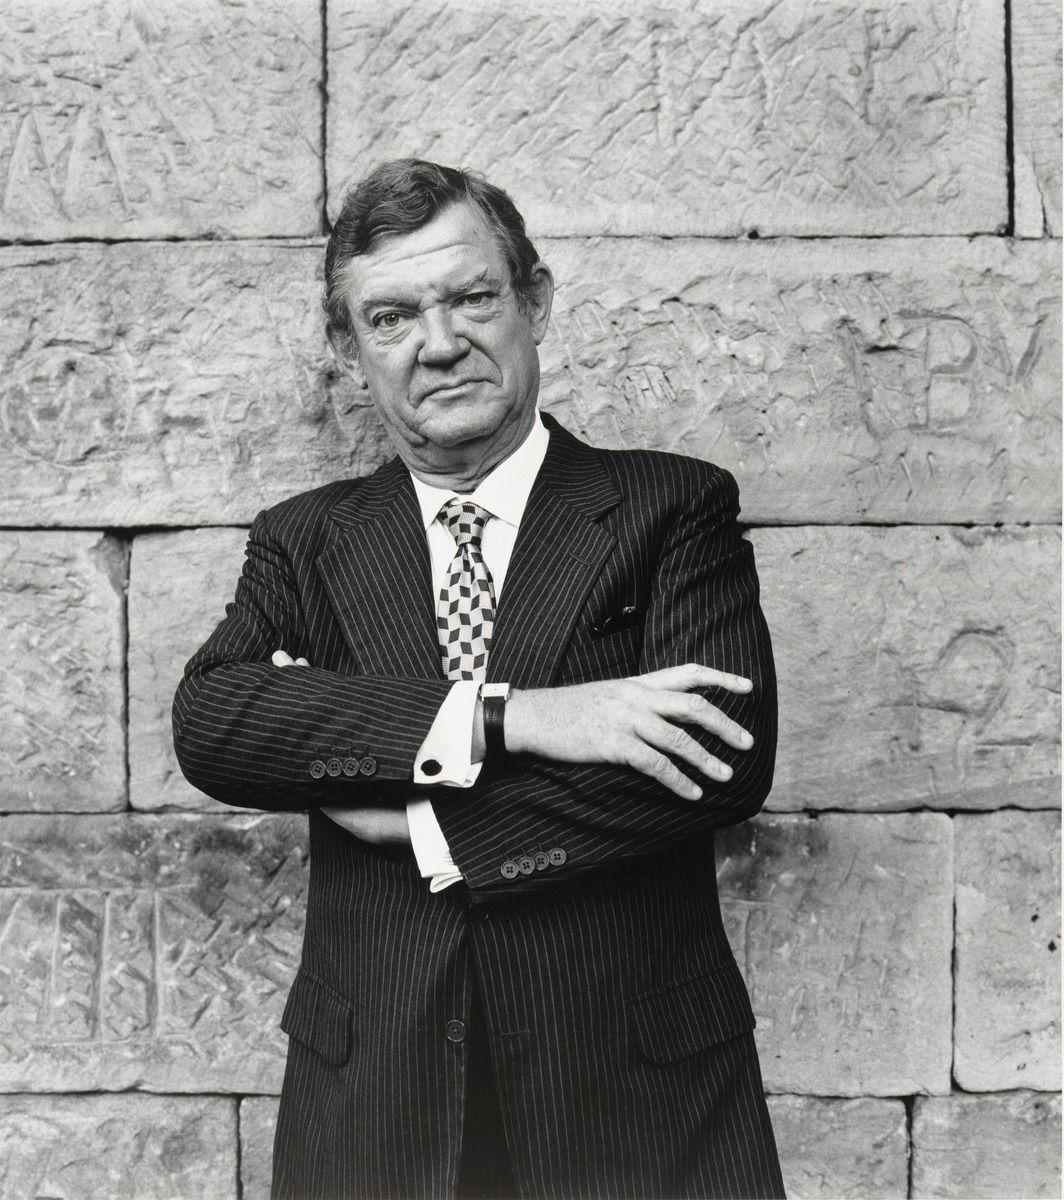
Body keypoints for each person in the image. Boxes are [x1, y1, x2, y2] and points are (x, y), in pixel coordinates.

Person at [173, 159, 784, 1200]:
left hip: (634, 1103)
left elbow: (715, 763)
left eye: (471, 298)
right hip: (377, 1105)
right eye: (392, 316)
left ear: (533, 301)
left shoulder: (668, 509)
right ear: (348, 348)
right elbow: (218, 720)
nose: (440, 342)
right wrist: (517, 718)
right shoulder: (303, 542)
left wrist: (422, 825)